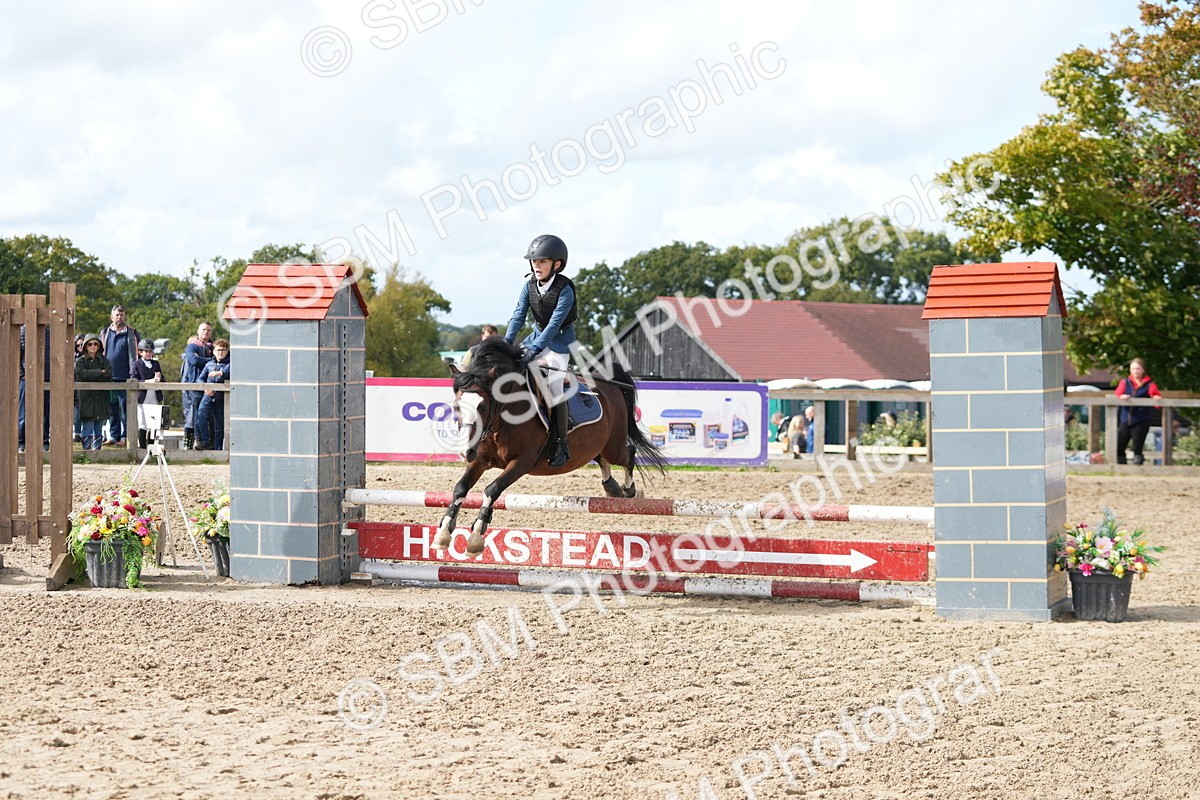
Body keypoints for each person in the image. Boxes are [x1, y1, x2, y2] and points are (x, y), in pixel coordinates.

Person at [504, 234, 576, 468]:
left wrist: (534, 350)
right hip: (535, 337)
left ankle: (561, 443)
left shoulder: (565, 290)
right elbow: (518, 315)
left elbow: (554, 325)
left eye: (542, 261)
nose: (537, 265)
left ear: (557, 264)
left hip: (559, 344)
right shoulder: (529, 286)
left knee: (555, 387)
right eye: (534, 261)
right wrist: (507, 342)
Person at [98, 305, 142, 447]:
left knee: (126, 410)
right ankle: (113, 436)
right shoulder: (105, 333)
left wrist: (133, 375)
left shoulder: (131, 334)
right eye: (117, 315)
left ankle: (125, 437)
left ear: (125, 317)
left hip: (126, 377)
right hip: (109, 378)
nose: (119, 317)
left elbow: (136, 355)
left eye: (122, 315)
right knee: (112, 410)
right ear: (111, 317)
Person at [1115, 357, 1162, 465]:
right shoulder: (1125, 382)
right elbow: (1117, 393)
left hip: (1141, 420)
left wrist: (1156, 399)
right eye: (1133, 369)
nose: (1135, 371)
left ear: (1143, 370)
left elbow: (1156, 397)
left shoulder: (1149, 384)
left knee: (1137, 448)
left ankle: (1138, 471)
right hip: (1125, 419)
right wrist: (1121, 397)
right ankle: (1121, 469)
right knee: (1119, 446)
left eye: (1138, 369)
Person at [17, 324, 51, 454]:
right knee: (23, 412)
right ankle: (21, 442)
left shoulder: (49, 333)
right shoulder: (22, 331)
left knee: (44, 413)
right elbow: (17, 355)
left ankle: (44, 442)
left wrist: (49, 375)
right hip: (26, 379)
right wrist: (22, 374)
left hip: (45, 379)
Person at [74, 334, 112, 451]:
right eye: (90, 344)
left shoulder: (104, 360)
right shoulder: (80, 361)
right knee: (87, 426)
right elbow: (81, 374)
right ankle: (86, 452)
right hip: (86, 398)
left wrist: (92, 373)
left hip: (101, 397)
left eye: (96, 343)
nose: (93, 346)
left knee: (98, 426)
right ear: (85, 346)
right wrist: (100, 371)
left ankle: (97, 452)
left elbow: (109, 374)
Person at [180, 321, 213, 450]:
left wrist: (202, 360)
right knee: (194, 415)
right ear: (198, 331)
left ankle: (209, 443)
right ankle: (195, 444)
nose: (206, 332)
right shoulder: (192, 346)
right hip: (194, 385)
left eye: (209, 330)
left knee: (209, 416)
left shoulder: (213, 347)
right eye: (204, 330)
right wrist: (210, 361)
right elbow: (193, 360)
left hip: (211, 386)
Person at [194, 339, 231, 450]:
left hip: (222, 398)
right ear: (213, 351)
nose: (221, 352)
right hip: (208, 396)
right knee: (201, 415)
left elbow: (230, 371)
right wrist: (206, 388)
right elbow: (200, 379)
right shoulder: (209, 364)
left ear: (227, 351)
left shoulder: (230, 363)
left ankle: (218, 449)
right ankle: (206, 441)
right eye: (218, 350)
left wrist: (221, 372)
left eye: (223, 350)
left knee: (220, 425)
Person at [132, 339, 164, 449]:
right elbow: (133, 380)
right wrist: (147, 382)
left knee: (153, 423)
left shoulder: (156, 364)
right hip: (142, 397)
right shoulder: (136, 364)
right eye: (146, 351)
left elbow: (162, 379)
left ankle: (151, 447)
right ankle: (142, 448)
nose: (148, 353)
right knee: (142, 423)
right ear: (140, 352)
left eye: (150, 351)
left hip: (154, 395)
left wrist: (159, 378)